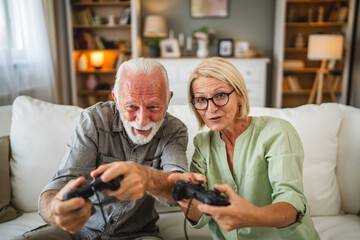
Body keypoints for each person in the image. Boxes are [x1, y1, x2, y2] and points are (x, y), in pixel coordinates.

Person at [16, 58, 203, 240]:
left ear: (168, 99)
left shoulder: (175, 130)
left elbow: (178, 188)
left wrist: (147, 178)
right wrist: (53, 210)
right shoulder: (93, 121)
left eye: (153, 106)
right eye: (131, 106)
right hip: (76, 232)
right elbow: (61, 183)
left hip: (138, 234)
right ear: (115, 98)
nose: (142, 120)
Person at [168, 57, 320, 239]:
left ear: (239, 95)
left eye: (220, 95)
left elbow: (292, 203)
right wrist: (183, 197)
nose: (211, 108)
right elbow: (200, 215)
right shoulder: (202, 144)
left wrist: (251, 217)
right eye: (201, 99)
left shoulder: (277, 132)